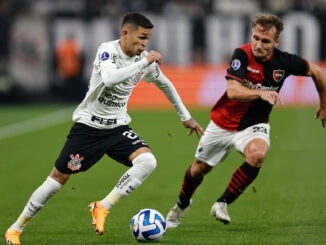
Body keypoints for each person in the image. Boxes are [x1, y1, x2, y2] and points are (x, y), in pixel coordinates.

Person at [4, 12, 203, 244]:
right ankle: (15, 229)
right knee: (56, 180)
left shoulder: (143, 59)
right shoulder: (107, 51)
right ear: (125, 33)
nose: (144, 44)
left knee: (147, 161)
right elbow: (109, 79)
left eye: (148, 39)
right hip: (88, 128)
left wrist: (185, 116)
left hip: (117, 128)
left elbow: (165, 83)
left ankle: (102, 206)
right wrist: (144, 62)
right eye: (141, 37)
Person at [166, 13, 326, 228]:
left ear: (276, 41)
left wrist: (323, 104)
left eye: (265, 41)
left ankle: (222, 203)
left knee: (258, 154)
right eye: (255, 38)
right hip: (222, 123)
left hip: (254, 125)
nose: (258, 45)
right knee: (198, 170)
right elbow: (232, 91)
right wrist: (260, 94)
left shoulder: (285, 62)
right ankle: (181, 205)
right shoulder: (241, 54)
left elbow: (317, 71)